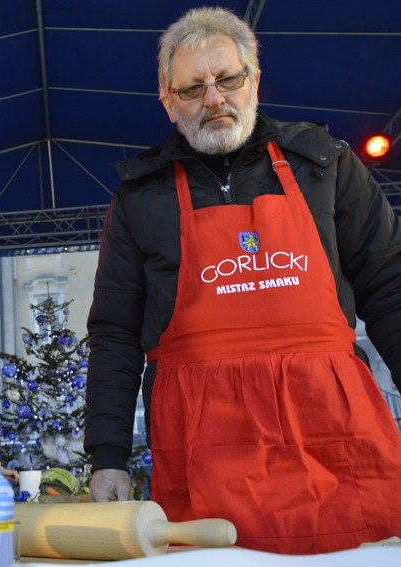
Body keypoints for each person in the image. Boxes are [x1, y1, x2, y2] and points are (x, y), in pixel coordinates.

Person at [84, 6, 401, 555]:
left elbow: (391, 285)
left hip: (334, 432)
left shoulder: (326, 165)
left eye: (228, 79)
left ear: (254, 80)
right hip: (205, 444)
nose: (214, 99)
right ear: (168, 102)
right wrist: (107, 456)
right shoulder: (139, 196)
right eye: (193, 88)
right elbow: (115, 333)